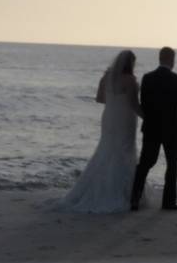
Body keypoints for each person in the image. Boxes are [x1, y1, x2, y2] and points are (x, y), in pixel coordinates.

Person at [55, 50, 145, 213]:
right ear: (130, 63)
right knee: (124, 151)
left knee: (106, 150)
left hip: (109, 118)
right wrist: (148, 117)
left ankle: (98, 188)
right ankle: (122, 192)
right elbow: (134, 104)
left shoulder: (106, 78)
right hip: (125, 119)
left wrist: (114, 100)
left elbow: (99, 99)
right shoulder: (130, 80)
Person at [131, 46, 177, 211]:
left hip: (151, 128)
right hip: (171, 129)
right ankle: (168, 202)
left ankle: (134, 198)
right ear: (171, 60)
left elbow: (144, 104)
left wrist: (150, 120)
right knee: (172, 165)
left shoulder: (147, 78)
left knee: (145, 163)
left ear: (159, 59)